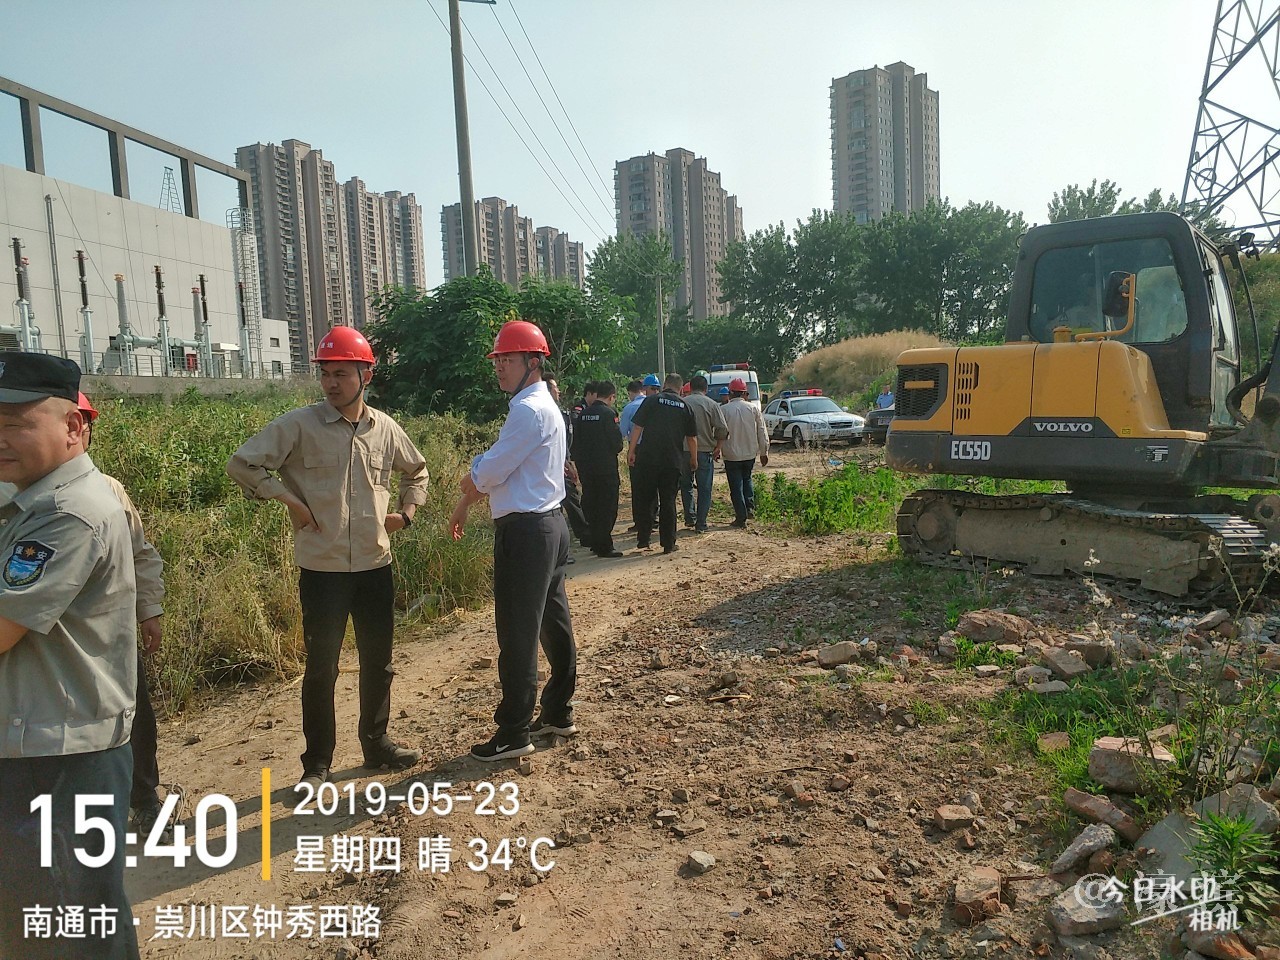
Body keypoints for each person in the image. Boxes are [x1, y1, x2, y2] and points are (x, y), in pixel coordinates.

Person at [226, 326, 429, 801]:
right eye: (325, 374)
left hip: (376, 564)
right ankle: (317, 763)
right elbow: (242, 464)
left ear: (366, 375)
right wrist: (288, 500)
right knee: (322, 669)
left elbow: (417, 471)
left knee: (379, 662)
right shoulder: (299, 426)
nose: (331, 383)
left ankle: (376, 744)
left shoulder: (385, 429)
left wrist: (407, 513)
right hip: (323, 570)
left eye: (342, 374)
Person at [0, 352, 141, 959]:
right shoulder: (27, 500)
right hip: (36, 742)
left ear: (73, 427)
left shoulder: (69, 513)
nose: (0, 438)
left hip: (58, 757)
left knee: (68, 925)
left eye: (15, 423)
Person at [449, 319, 577, 760]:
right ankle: (558, 711)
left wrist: (473, 475)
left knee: (518, 632)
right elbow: (500, 469)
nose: (499, 366)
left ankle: (514, 731)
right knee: (553, 623)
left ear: (533, 361)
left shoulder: (528, 410)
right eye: (497, 359)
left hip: (526, 533)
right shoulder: (543, 406)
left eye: (508, 359)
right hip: (548, 525)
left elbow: (490, 470)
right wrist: (475, 484)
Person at [75, 393, 170, 837]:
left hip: (112, 631)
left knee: (135, 716)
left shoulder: (108, 490)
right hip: (38, 638)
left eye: (82, 423)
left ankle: (144, 800)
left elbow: (140, 553)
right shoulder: (10, 497)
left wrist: (149, 609)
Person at [629, 373, 697, 554]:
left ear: (665, 384)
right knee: (668, 501)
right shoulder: (685, 406)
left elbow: (638, 427)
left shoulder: (652, 400)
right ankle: (668, 543)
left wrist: (631, 451)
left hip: (648, 458)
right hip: (672, 461)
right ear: (680, 388)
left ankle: (643, 539)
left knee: (646, 499)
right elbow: (691, 438)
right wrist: (693, 459)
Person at [572, 379, 624, 557]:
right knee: (607, 507)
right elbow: (617, 443)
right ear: (611, 397)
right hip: (605, 468)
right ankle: (605, 545)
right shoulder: (609, 414)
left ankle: (595, 541)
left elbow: (576, 442)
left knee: (591, 505)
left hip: (586, 469)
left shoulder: (583, 414)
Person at [544, 376, 591, 555]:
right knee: (568, 501)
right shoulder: (544, 413)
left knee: (568, 501)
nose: (558, 391)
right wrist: (565, 463)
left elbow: (565, 442)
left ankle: (578, 538)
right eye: (555, 388)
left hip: (564, 462)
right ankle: (582, 536)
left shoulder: (561, 413)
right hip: (553, 467)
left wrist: (569, 460)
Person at [678, 374, 729, 533]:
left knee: (686, 485)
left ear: (690, 387)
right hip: (705, 451)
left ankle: (690, 517)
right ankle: (701, 523)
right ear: (705, 389)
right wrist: (718, 447)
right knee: (704, 488)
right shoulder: (711, 404)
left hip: (683, 451)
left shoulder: (681, 403)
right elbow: (722, 428)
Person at [720, 376, 770, 528]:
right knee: (747, 480)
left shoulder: (724, 410)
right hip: (749, 454)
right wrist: (764, 452)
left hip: (731, 455)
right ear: (744, 393)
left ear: (730, 393)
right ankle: (749, 508)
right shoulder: (753, 409)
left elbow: (719, 433)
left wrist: (716, 450)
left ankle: (740, 517)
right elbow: (762, 431)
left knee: (736, 486)